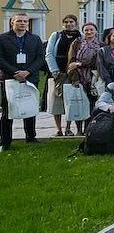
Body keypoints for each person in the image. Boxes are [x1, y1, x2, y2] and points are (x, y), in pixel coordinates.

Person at [0, 12, 43, 150]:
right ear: (12, 22)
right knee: (9, 109)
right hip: (10, 78)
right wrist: (14, 72)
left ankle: (31, 137)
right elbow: (0, 58)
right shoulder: (3, 38)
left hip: (30, 78)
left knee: (29, 106)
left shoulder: (35, 39)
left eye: (25, 21)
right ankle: (5, 140)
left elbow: (40, 58)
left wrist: (28, 72)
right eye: (19, 21)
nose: (23, 23)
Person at [44, 14, 81, 136]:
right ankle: (58, 129)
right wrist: (54, 71)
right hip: (58, 72)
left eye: (71, 21)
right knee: (56, 101)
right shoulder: (57, 35)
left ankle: (69, 128)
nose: (69, 24)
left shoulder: (80, 36)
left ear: (75, 23)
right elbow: (49, 53)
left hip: (74, 72)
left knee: (71, 100)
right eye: (66, 22)